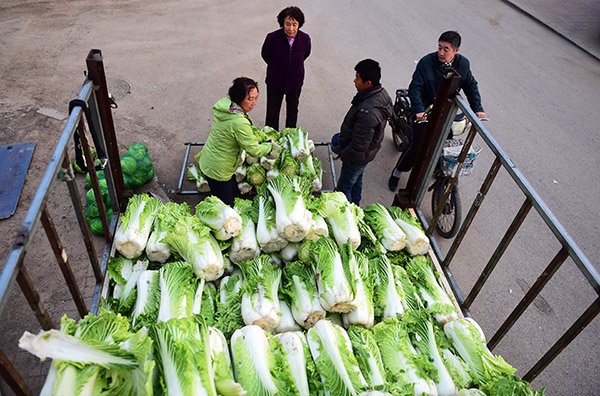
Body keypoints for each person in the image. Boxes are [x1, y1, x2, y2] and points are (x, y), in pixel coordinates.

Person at [388, 30, 486, 191]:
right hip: (425, 112)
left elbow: (470, 85)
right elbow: (415, 87)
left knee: (446, 144)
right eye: (439, 47)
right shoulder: (426, 62)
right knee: (417, 146)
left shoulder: (463, 64)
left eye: (446, 49)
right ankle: (398, 171)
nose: (441, 52)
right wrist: (419, 110)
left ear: (456, 51)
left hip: (446, 113)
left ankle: (436, 169)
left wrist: (478, 108)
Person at [200, 77, 279, 206]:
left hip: (214, 161)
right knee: (226, 207)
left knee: (235, 196)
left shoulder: (227, 107)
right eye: (250, 99)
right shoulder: (239, 122)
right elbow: (253, 150)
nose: (254, 103)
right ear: (238, 97)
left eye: (256, 98)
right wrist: (269, 147)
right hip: (219, 169)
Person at [335, 59, 392, 206]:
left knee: (344, 187)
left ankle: (348, 215)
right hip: (364, 155)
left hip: (356, 156)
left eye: (358, 78)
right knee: (356, 179)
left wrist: (344, 154)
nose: (354, 81)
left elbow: (358, 146)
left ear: (368, 83)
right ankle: (356, 205)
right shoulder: (381, 93)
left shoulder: (368, 112)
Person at [261, 6, 311, 131]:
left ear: (299, 24)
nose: (291, 28)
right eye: (287, 24)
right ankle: (271, 139)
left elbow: (305, 54)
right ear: (282, 24)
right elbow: (266, 55)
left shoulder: (305, 39)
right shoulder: (272, 38)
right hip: (275, 82)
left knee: (292, 111)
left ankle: (290, 136)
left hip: (295, 82)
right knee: (272, 112)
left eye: (294, 24)